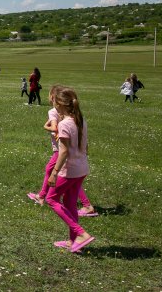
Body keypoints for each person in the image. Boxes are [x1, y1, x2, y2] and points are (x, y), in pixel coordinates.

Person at [28, 86, 96, 216]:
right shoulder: (76, 116)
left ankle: (43, 197)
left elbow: (54, 128)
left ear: (55, 100)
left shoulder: (54, 112)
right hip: (73, 153)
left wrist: (46, 127)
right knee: (68, 178)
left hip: (62, 149)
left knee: (61, 177)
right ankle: (42, 196)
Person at [45, 86, 95, 253]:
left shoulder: (65, 124)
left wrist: (54, 173)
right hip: (82, 168)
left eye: (54, 101)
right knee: (70, 203)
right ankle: (73, 242)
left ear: (59, 104)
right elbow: (86, 146)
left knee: (51, 199)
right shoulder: (80, 120)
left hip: (70, 170)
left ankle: (81, 234)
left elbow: (64, 151)